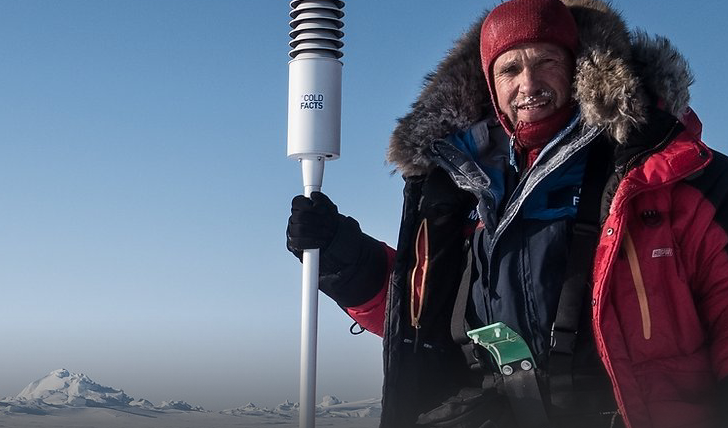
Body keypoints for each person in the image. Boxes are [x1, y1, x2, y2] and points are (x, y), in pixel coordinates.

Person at [286, 0, 728, 427]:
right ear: (490, 85)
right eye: (510, 69)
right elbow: (419, 313)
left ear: (578, 69)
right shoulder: (458, 188)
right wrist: (340, 253)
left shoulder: (667, 176)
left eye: (547, 61)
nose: (528, 84)